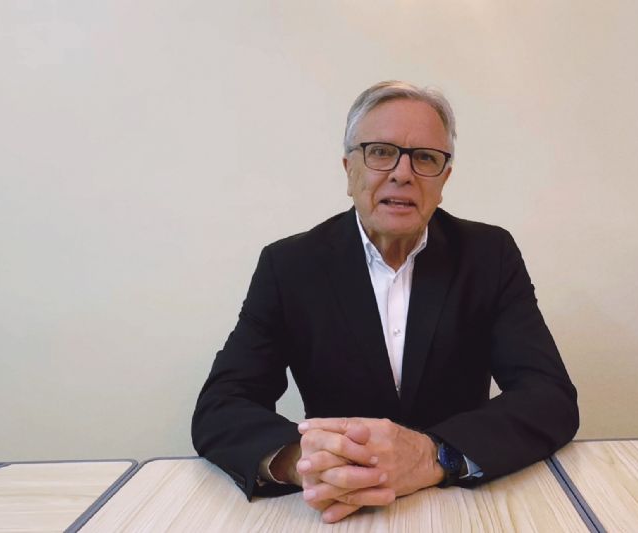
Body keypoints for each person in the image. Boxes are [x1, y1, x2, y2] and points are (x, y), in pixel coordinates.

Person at [192, 80, 579, 523]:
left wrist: (435, 456)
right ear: (349, 170)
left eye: (425, 158)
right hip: (337, 510)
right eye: (380, 152)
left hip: (461, 504)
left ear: (444, 179)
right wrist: (304, 462)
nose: (402, 173)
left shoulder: (489, 255)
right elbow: (221, 405)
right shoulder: (290, 265)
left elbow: (549, 396)